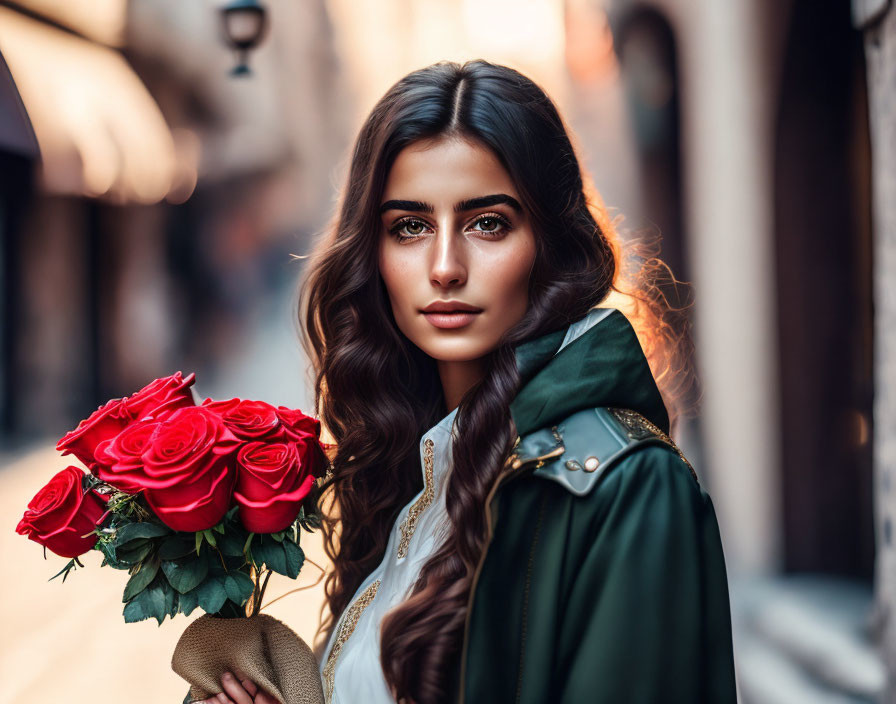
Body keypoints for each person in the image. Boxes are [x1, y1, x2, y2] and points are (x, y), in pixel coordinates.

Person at [196, 58, 737, 704]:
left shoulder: (627, 489)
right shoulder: (411, 470)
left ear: (551, 244)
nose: (446, 267)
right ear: (374, 253)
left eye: (488, 223)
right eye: (410, 227)